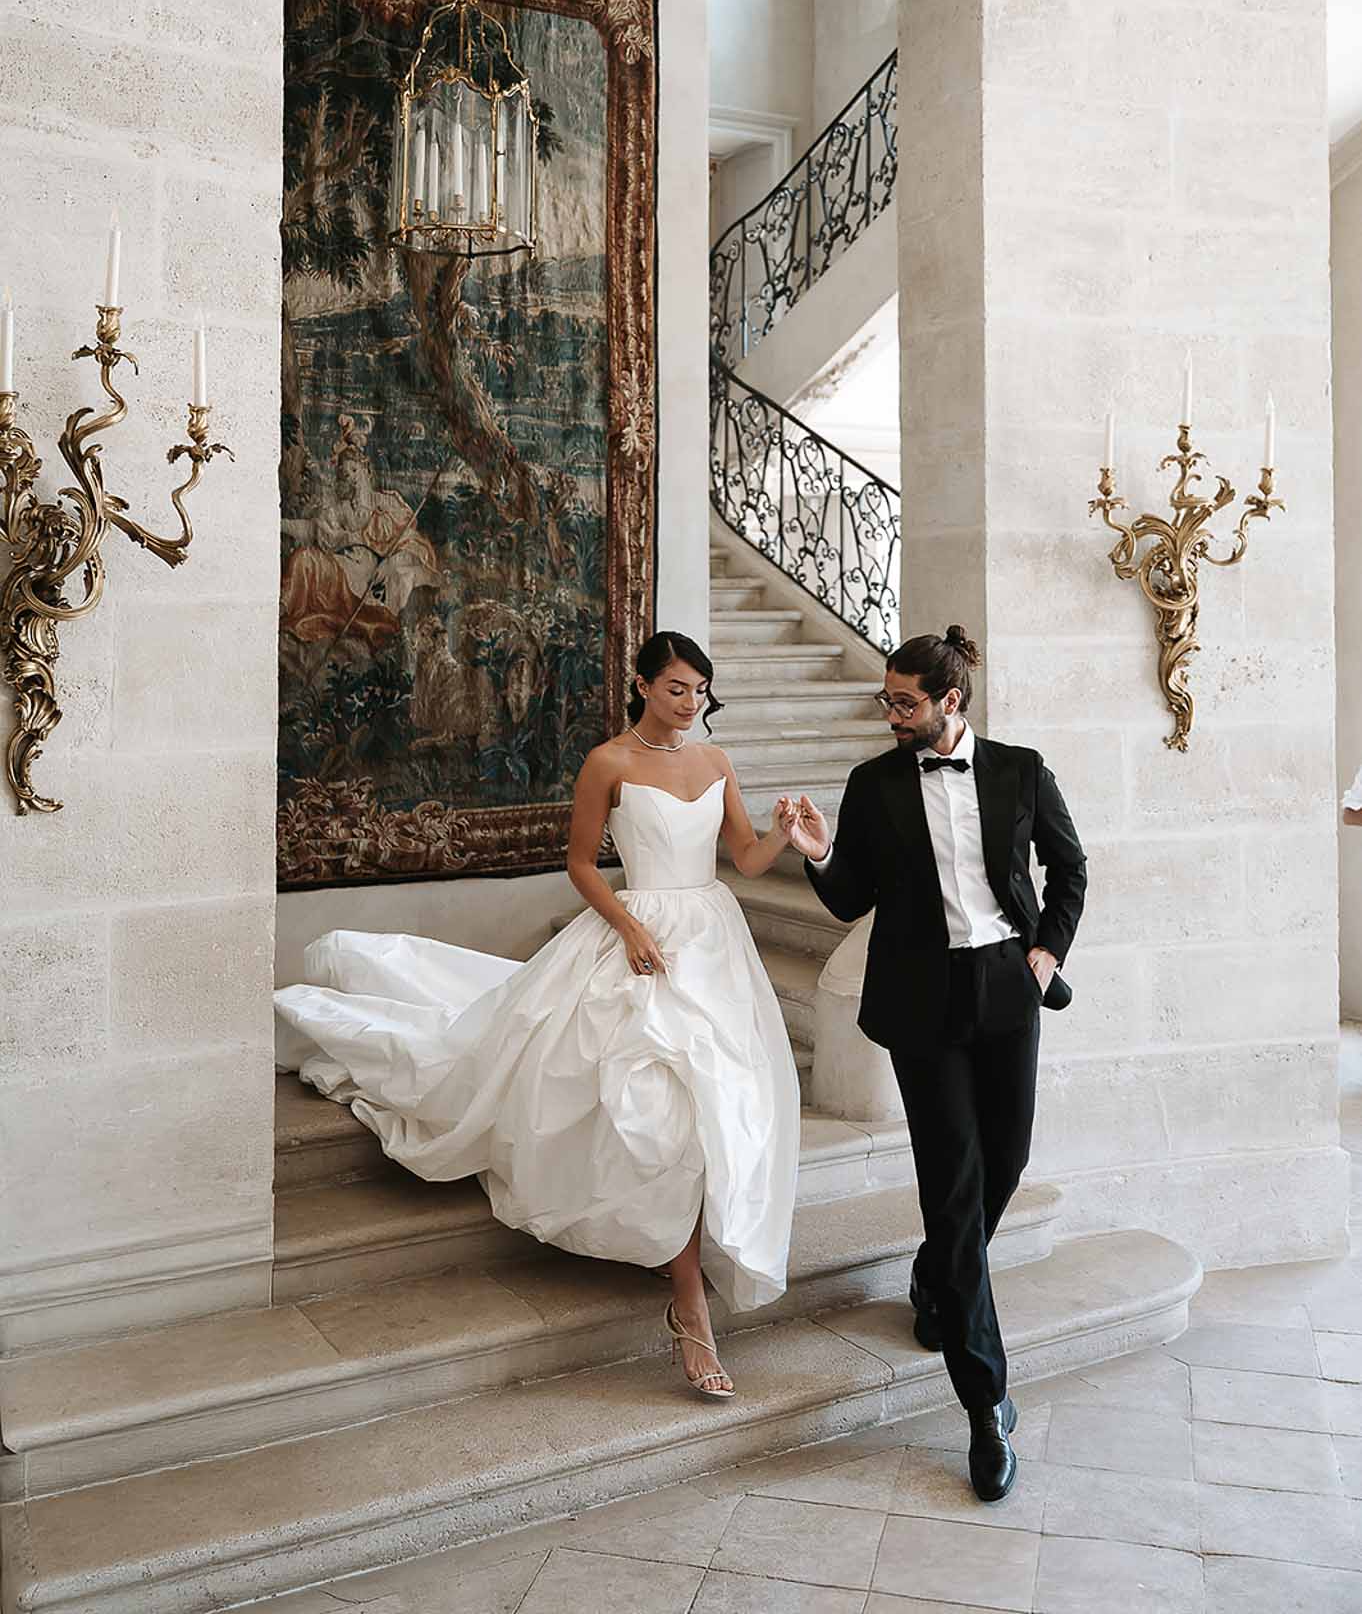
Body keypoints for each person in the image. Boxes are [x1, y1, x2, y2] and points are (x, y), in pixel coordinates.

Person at [276, 631, 803, 1400]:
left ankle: (678, 1253)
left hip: (714, 943)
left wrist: (788, 832)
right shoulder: (609, 762)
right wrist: (629, 929)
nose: (691, 704)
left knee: (720, 1102)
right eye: (678, 688)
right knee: (654, 1100)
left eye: (701, 691)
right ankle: (690, 1304)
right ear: (644, 685)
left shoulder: (715, 762)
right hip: (636, 936)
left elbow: (747, 856)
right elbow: (582, 863)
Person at [781, 625, 1086, 1500]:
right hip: (922, 1002)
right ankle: (984, 1406)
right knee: (951, 1189)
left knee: (1008, 1161)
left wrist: (1046, 955)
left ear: (950, 702)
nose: (890, 714)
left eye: (904, 702)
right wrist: (819, 852)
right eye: (887, 699)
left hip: (1005, 986)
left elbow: (1069, 872)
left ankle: (935, 1277)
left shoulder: (1021, 770)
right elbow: (849, 898)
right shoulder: (873, 785)